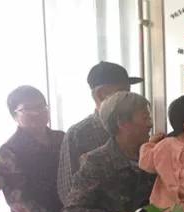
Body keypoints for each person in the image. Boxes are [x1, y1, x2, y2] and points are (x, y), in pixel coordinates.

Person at [63, 91, 155, 212]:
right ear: (122, 123)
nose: (150, 124)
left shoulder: (154, 154)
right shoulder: (96, 161)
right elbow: (73, 211)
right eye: (145, 118)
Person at [0, 86, 65, 212]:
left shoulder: (62, 139)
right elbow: (17, 200)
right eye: (28, 108)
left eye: (41, 106)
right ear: (14, 115)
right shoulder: (9, 150)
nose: (37, 112)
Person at [58, 61, 142, 202]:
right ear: (101, 94)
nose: (128, 97)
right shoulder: (78, 134)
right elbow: (68, 192)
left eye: (129, 91)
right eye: (123, 91)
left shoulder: (135, 126)